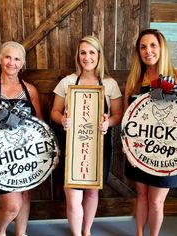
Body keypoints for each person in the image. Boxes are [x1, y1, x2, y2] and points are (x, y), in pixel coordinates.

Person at [124, 28, 177, 236]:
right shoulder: (135, 79)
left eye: (153, 45)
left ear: (162, 48)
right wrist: (127, 146)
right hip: (141, 148)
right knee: (142, 196)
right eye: (143, 47)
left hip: (168, 152)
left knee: (156, 201)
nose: (148, 51)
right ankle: (139, 235)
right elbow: (128, 118)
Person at [51, 35, 123, 236]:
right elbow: (54, 112)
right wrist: (62, 120)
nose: (87, 57)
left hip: (99, 146)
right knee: (73, 198)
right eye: (83, 52)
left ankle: (87, 231)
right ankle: (76, 234)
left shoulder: (109, 84)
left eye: (92, 52)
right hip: (72, 147)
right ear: (78, 55)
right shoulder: (67, 82)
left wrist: (108, 122)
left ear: (99, 55)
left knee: (92, 191)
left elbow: (118, 114)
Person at [0, 41, 42, 236]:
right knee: (12, 205)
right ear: (0, 59)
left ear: (23, 64)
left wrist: (47, 151)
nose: (11, 62)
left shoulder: (30, 91)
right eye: (7, 57)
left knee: (25, 195)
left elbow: (40, 125)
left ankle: (21, 233)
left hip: (25, 154)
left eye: (17, 59)